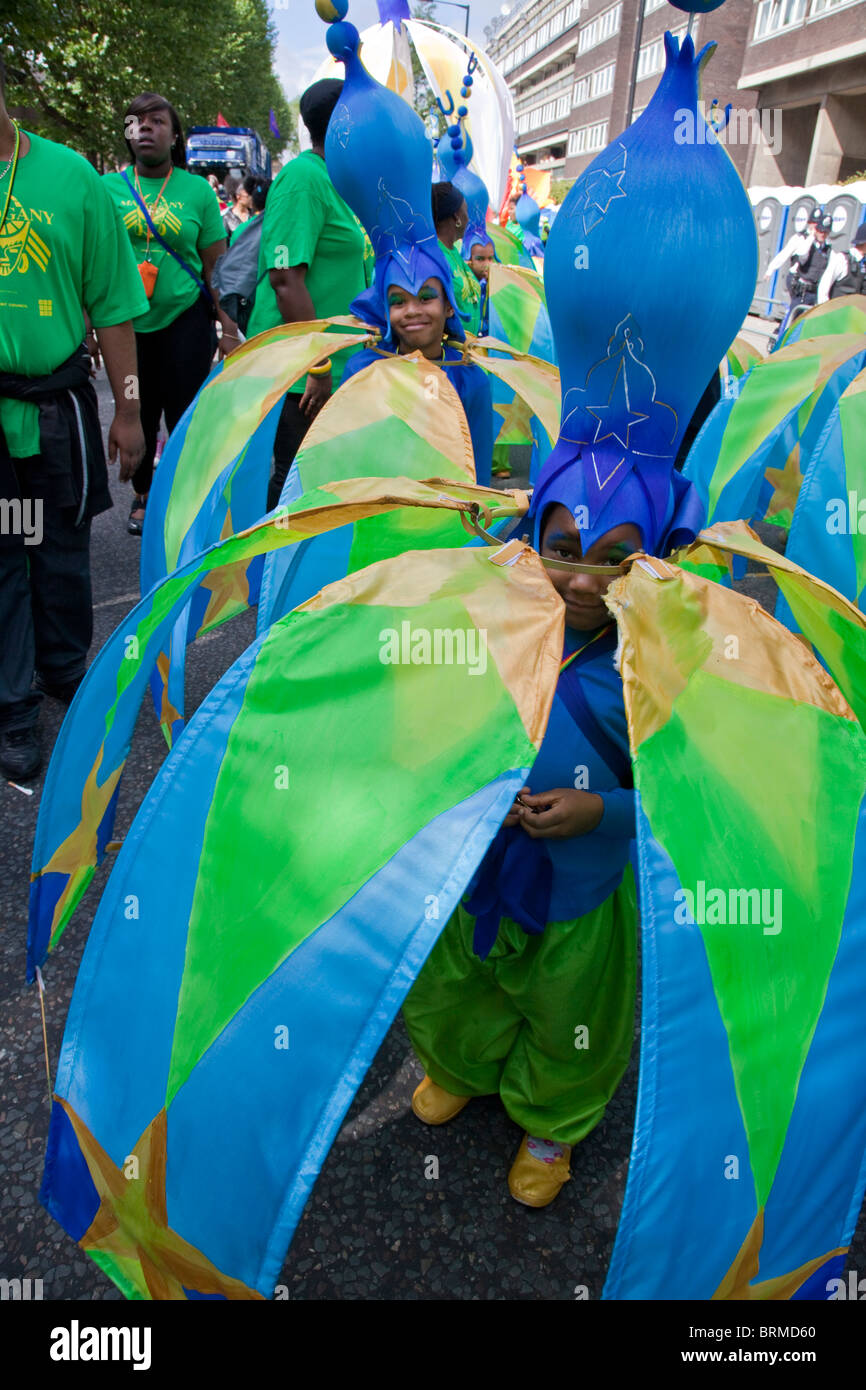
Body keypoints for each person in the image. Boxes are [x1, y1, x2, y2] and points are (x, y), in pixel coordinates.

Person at [0, 58, 147, 781]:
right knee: (4, 557)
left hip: (54, 412)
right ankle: (14, 708)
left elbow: (113, 304)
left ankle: (63, 672)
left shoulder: (70, 178)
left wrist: (129, 408)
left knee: (55, 547)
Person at [103, 92, 232, 535]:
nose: (145, 129)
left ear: (174, 135)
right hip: (127, 331)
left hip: (185, 326)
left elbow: (217, 265)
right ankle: (143, 494)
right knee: (138, 405)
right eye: (136, 121)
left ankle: (183, 498)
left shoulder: (196, 190)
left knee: (183, 412)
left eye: (156, 121)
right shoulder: (107, 189)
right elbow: (90, 265)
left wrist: (228, 327)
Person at [245, 79, 368, 510]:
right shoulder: (302, 179)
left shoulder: (340, 182)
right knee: (296, 482)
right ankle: (274, 574)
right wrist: (317, 364)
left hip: (332, 363)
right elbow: (284, 279)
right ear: (342, 125)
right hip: (302, 370)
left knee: (324, 481)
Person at [341, 275, 493, 486]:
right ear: (386, 311)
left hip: (446, 509)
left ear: (449, 306)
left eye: (425, 298)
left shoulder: (469, 379)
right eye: (398, 302)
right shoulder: (363, 371)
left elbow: (479, 472)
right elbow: (342, 456)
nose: (412, 310)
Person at [432, 181, 482, 337]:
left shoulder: (453, 251)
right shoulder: (435, 256)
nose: (468, 218)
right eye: (466, 210)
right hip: (449, 355)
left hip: (468, 351)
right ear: (457, 216)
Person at [763, 205, 821, 282]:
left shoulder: (821, 241)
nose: (815, 226)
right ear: (809, 222)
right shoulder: (799, 238)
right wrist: (770, 270)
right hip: (797, 279)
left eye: (817, 223)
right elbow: (784, 254)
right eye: (813, 222)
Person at [818, 221, 866, 302]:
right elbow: (824, 286)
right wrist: (825, 310)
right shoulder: (842, 259)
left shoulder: (863, 263)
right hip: (837, 312)